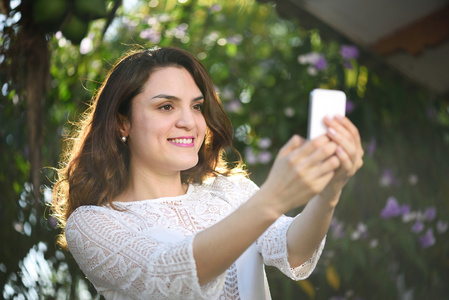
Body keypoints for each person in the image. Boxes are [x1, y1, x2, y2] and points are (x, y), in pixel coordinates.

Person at [52, 47, 363, 300]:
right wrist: (271, 200)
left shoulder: (230, 191)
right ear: (123, 123)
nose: (190, 122)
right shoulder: (94, 223)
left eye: (197, 106)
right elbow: (170, 275)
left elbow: (294, 250)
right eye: (166, 107)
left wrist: (330, 190)